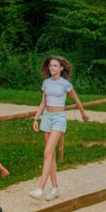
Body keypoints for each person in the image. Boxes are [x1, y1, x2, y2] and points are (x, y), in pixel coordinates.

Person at [30, 55, 90, 201]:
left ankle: (40, 188)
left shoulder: (65, 84)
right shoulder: (46, 83)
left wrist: (83, 114)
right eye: (50, 65)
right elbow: (43, 102)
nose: (52, 68)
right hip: (46, 118)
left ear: (61, 68)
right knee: (51, 156)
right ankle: (55, 188)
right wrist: (36, 118)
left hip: (58, 119)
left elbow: (77, 100)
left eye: (55, 66)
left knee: (47, 152)